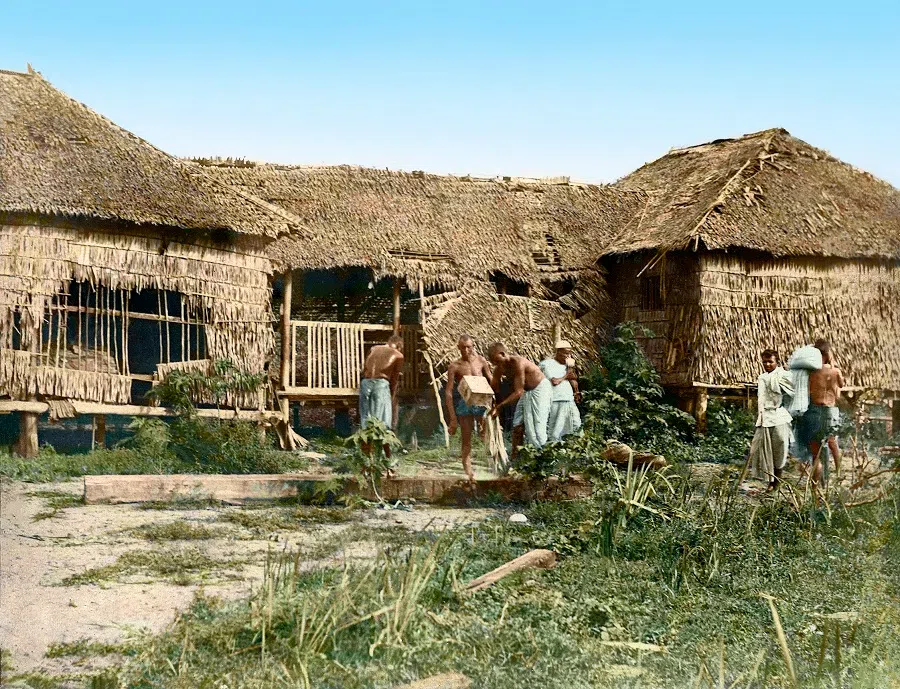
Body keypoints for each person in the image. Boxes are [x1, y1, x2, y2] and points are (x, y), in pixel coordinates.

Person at [487, 342, 552, 461]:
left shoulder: (518, 363)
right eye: (494, 363)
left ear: (503, 354)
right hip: (527, 392)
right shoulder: (499, 369)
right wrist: (490, 403)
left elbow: (518, 392)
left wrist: (499, 406)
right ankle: (516, 460)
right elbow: (493, 388)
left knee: (537, 428)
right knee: (517, 425)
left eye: (497, 361)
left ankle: (543, 460)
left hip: (540, 389)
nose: (496, 364)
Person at [445, 334, 493, 481]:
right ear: (458, 348)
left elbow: (491, 380)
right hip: (465, 403)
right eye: (463, 347)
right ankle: (468, 468)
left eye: (469, 347)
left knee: (486, 434)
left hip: (482, 402)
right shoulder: (455, 366)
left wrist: (495, 402)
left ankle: (491, 463)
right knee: (466, 437)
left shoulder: (481, 361)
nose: (466, 350)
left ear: (473, 347)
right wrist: (453, 419)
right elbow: (448, 392)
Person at [749, 349, 794, 490]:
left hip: (779, 415)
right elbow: (761, 399)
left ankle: (778, 480)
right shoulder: (762, 377)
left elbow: (795, 389)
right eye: (765, 362)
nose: (767, 364)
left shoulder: (783, 375)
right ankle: (771, 481)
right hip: (765, 417)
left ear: (777, 362)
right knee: (765, 449)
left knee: (780, 444)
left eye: (770, 361)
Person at [801, 339, 844, 486]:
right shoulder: (835, 371)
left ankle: (817, 482)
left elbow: (807, 389)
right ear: (828, 354)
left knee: (816, 448)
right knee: (832, 442)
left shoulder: (811, 372)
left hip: (814, 409)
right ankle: (838, 473)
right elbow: (841, 385)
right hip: (830, 410)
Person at [359, 334, 405, 458]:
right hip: (381, 385)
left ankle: (366, 461)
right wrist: (391, 397)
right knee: (383, 425)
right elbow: (394, 380)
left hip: (365, 384)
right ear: (399, 346)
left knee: (366, 425)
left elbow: (364, 370)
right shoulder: (398, 355)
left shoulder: (374, 349)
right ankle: (387, 461)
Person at [539, 340, 582, 442]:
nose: (568, 356)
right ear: (558, 352)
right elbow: (555, 381)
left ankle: (574, 447)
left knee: (576, 424)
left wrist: (576, 392)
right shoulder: (547, 364)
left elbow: (573, 379)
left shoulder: (566, 366)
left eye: (570, 353)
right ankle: (553, 448)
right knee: (555, 429)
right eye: (566, 353)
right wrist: (567, 374)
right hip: (555, 399)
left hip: (568, 399)